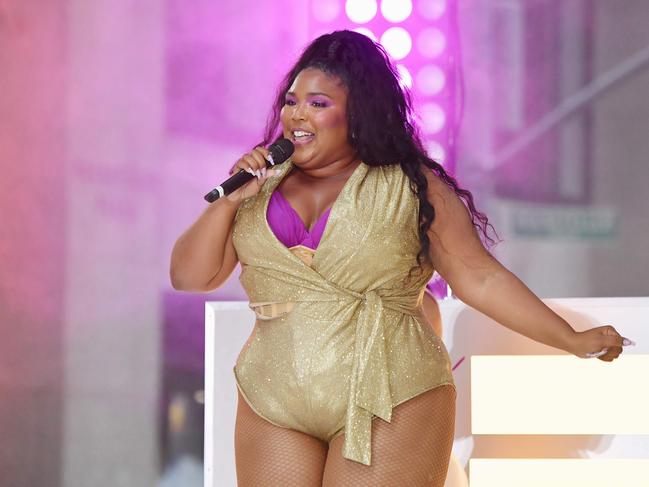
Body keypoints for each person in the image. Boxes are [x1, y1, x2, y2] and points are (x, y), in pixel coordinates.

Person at [170, 30, 633, 487]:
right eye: (292, 101)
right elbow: (190, 276)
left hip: (392, 390)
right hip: (274, 395)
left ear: (358, 113)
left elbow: (479, 277)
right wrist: (230, 201)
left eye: (318, 103)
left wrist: (569, 338)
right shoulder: (258, 190)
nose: (296, 115)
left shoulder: (412, 187)